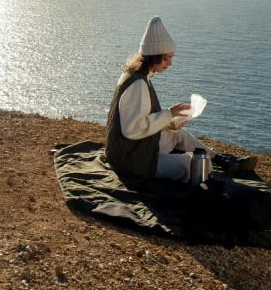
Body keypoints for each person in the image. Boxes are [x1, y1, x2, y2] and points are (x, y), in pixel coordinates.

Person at [105, 16, 256, 183]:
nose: (170, 63)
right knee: (192, 164)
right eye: (167, 58)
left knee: (178, 134)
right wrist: (169, 114)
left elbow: (140, 120)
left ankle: (219, 158)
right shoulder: (138, 85)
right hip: (131, 160)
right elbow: (133, 129)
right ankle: (211, 166)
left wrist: (170, 121)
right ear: (155, 56)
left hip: (136, 149)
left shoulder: (138, 76)